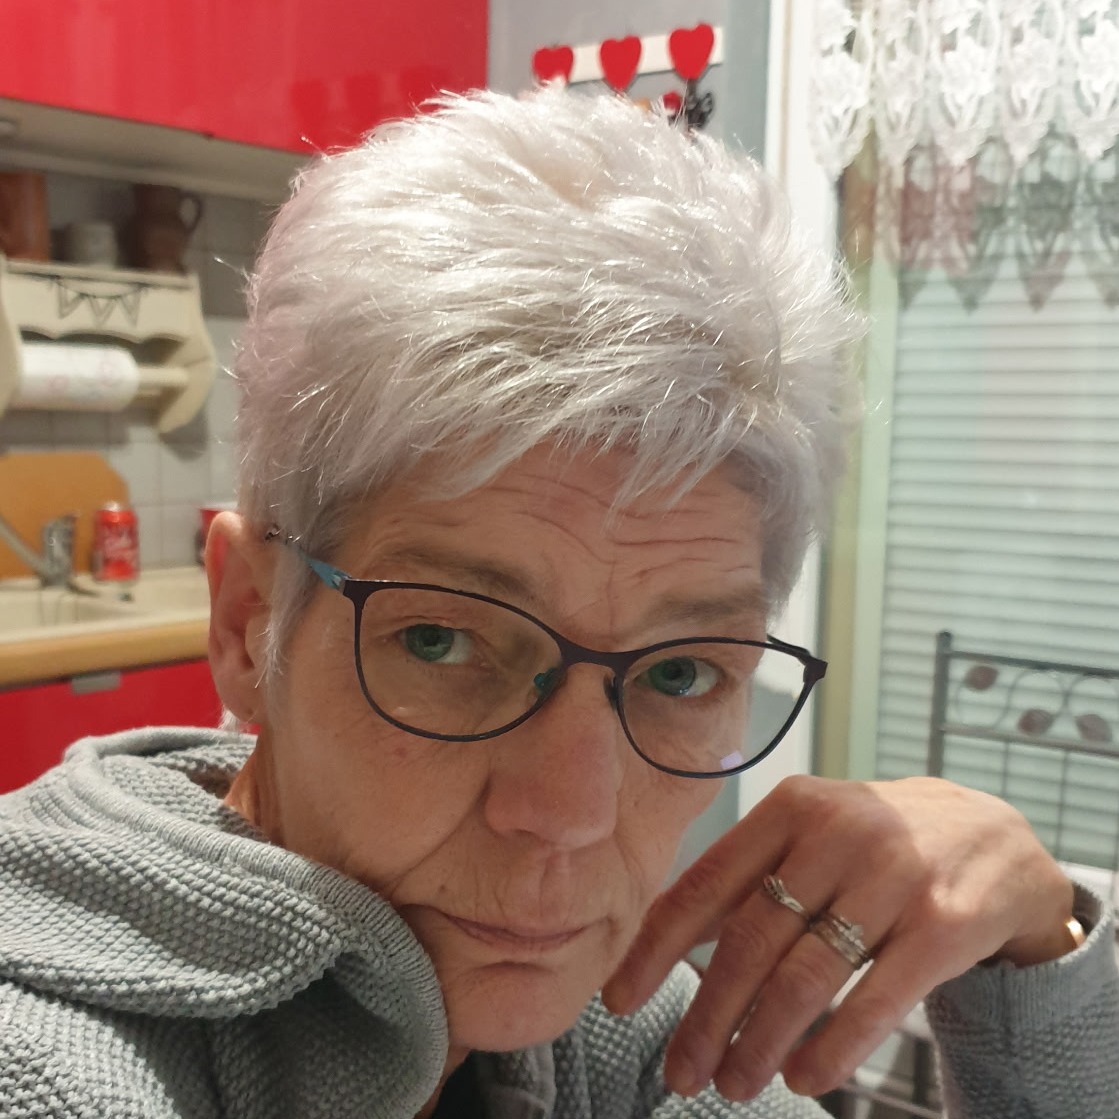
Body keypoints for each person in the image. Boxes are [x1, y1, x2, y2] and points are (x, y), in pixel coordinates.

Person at [1, 87, 1116, 1119]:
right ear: (249, 623)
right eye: (441, 639)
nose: (571, 812)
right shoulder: (56, 1073)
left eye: (681, 671)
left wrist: (1035, 962)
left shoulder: (611, 1022)